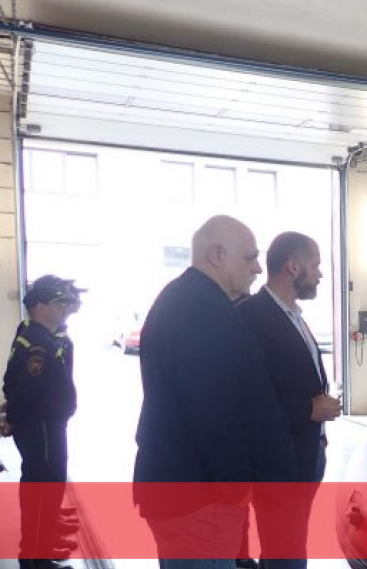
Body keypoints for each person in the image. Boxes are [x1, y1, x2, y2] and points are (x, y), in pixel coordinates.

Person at [133, 215, 293, 568]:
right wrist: (237, 487)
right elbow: (212, 412)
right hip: (199, 497)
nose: (257, 268)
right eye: (249, 258)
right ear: (217, 255)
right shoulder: (200, 312)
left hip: (183, 488)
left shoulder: (188, 299)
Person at [236, 232, 340, 567]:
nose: (320, 274)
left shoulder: (293, 315)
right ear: (293, 267)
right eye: (316, 265)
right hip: (277, 464)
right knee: (287, 552)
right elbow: (246, 397)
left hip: (306, 453)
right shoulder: (252, 316)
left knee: (286, 545)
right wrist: (308, 409)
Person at [2, 275, 85, 569]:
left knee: (47, 489)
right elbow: (25, 390)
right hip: (42, 427)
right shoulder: (38, 343)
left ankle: (41, 547)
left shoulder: (43, 336)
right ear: (38, 306)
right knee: (42, 492)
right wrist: (12, 417)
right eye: (58, 303)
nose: (66, 308)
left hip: (46, 425)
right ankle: (35, 559)